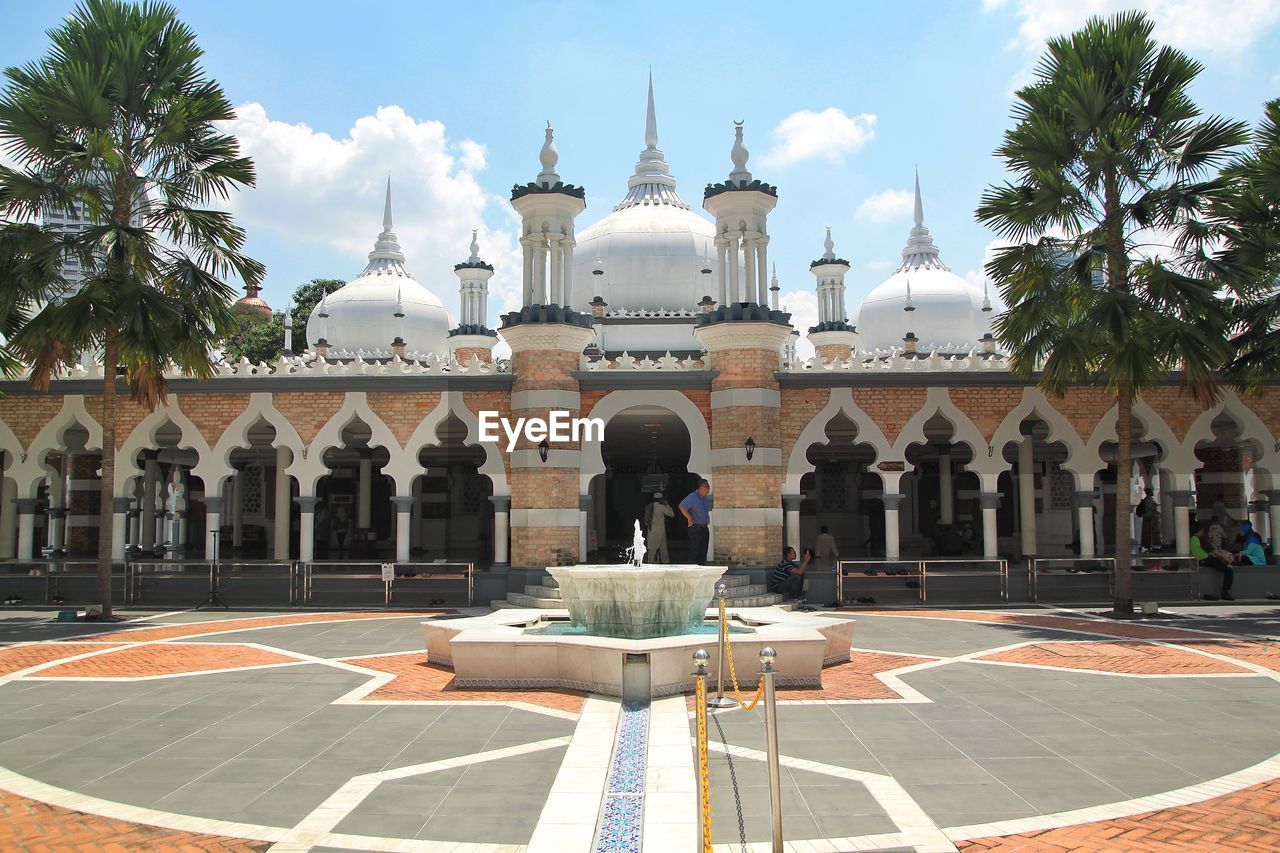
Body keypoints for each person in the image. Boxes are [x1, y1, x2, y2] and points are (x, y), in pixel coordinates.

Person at [1191, 526, 1234, 601]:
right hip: (1205, 559)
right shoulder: (1200, 539)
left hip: (1199, 561)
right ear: (1199, 530)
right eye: (1202, 530)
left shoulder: (1191, 539)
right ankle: (1225, 592)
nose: (1203, 531)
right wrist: (1223, 557)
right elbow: (1212, 550)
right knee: (1229, 570)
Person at [679, 479, 712, 564]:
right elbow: (682, 506)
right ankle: (693, 570)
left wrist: (707, 518)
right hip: (695, 528)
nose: (709, 489)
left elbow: (706, 511)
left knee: (703, 551)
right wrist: (689, 518)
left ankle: (702, 568)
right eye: (707, 487)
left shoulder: (705, 498)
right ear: (701, 487)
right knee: (694, 551)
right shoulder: (693, 497)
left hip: (704, 528)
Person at [645, 492, 674, 563]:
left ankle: (650, 564)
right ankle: (666, 563)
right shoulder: (661, 507)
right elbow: (671, 514)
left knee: (652, 550)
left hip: (651, 531)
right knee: (663, 550)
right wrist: (667, 505)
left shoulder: (649, 506)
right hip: (661, 531)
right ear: (660, 499)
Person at [1136, 487, 1159, 551]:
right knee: (1149, 531)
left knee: (1146, 531)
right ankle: (1148, 544)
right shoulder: (1149, 500)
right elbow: (1151, 508)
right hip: (1149, 517)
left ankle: (1146, 544)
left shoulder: (1146, 499)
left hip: (1146, 517)